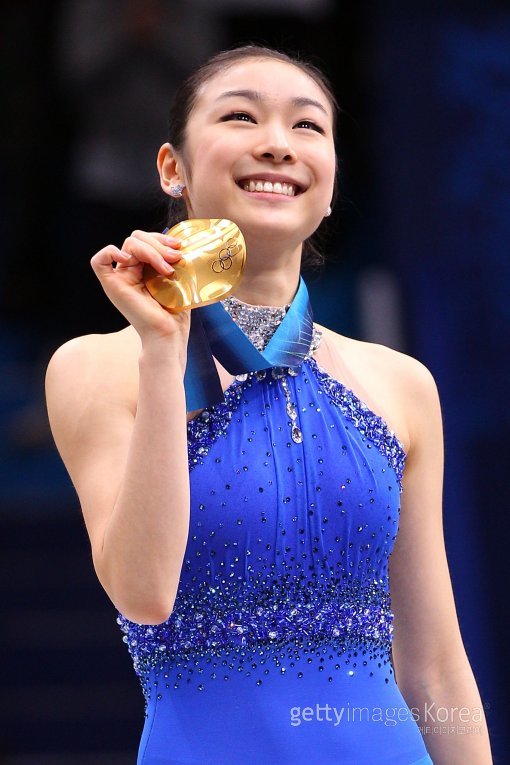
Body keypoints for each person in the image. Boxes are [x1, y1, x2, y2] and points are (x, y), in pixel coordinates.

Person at [45, 45, 492, 765]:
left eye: (308, 126)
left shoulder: (403, 383)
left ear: (332, 176)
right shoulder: (96, 366)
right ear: (172, 167)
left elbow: (437, 666)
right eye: (241, 116)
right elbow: (144, 593)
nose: (278, 144)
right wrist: (164, 349)